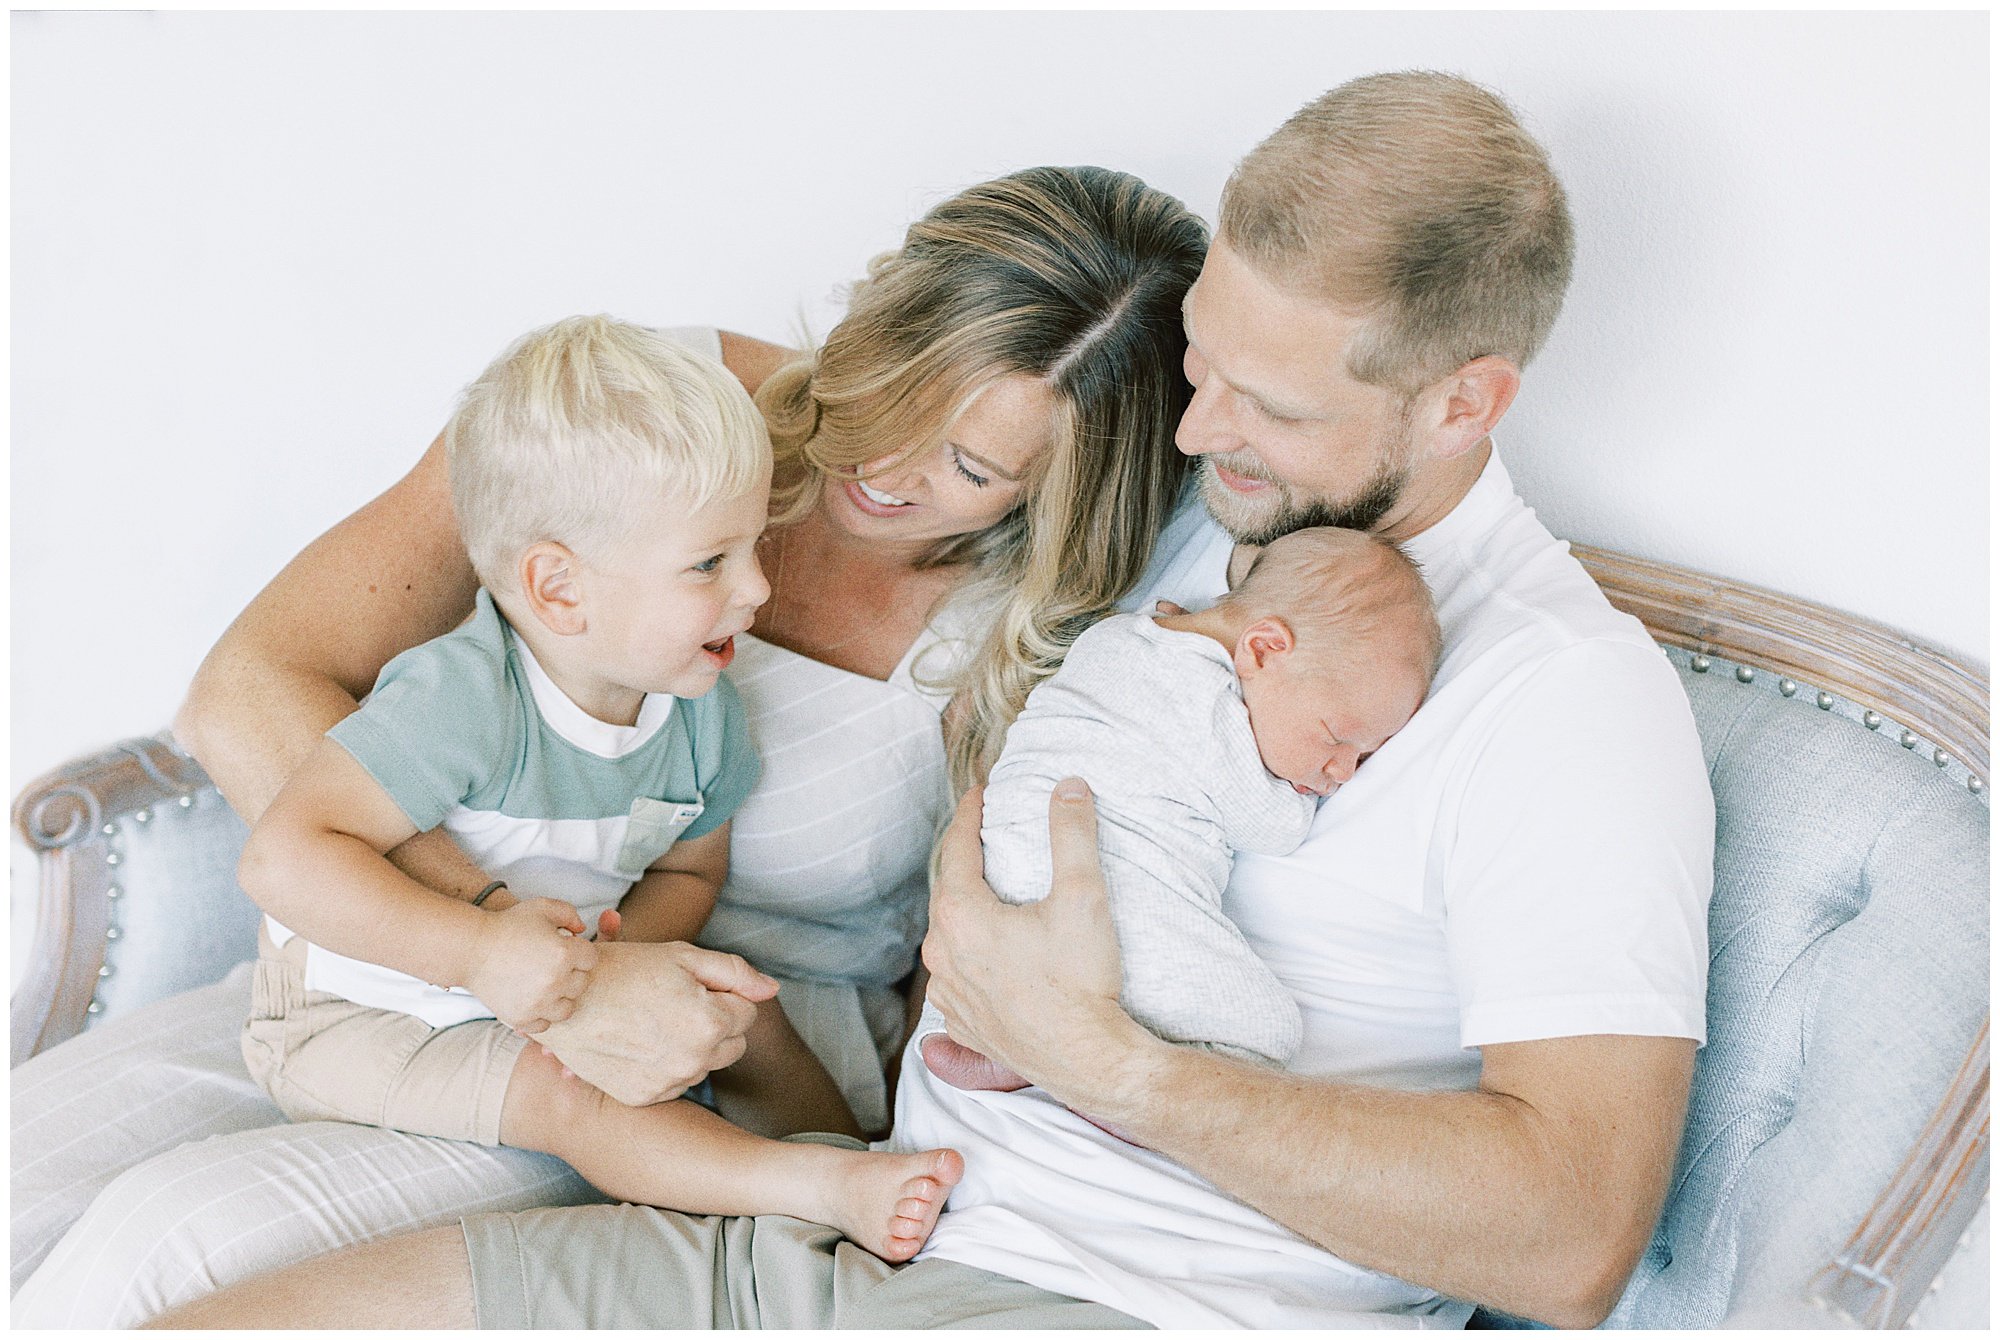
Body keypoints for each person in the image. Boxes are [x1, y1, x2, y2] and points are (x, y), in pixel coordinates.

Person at [142, 69, 1712, 1331]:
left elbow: (1573, 1241)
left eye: (1266, 403)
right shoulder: (1215, 537)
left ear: (1467, 401)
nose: (1193, 432)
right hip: (856, 1228)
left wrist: (1115, 1068)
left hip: (1076, 1293)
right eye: (1200, 367)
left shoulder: (1561, 705)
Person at [11, 165, 1208, 1326]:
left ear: (1064, 489)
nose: (884, 467)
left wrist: (618, 1021)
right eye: (894, 384)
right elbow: (250, 689)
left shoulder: (1044, 629)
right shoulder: (649, 401)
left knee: (164, 1247)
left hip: (677, 1070)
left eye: (969, 464)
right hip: (384, 966)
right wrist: (509, 957)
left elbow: (966, 984)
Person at [235, 314, 969, 1259]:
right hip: (364, 1012)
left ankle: (854, 1167)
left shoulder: (700, 708)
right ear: (559, 590)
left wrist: (615, 969)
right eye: (711, 563)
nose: (754, 589)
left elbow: (693, 875)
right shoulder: (461, 698)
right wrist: (482, 955)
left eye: (751, 548)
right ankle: (815, 1189)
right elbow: (286, 857)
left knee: (743, 1002)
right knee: (568, 1095)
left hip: (531, 977)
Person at [923, 525, 1440, 1093]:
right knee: (1268, 1031)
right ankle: (1081, 1082)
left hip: (1003, 868)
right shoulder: (1206, 709)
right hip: (1097, 894)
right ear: (1264, 648)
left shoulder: (1124, 635)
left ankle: (1013, 1050)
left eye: (1364, 757)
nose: (1343, 771)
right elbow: (1270, 828)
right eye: (1339, 737)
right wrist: (1295, 802)